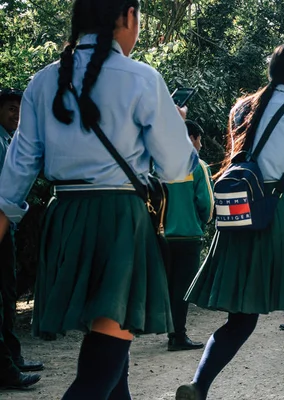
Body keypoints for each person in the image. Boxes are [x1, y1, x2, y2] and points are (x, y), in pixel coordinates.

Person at [0, 1, 199, 397]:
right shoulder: (141, 78)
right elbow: (177, 168)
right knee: (102, 363)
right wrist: (174, 122)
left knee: (113, 362)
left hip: (66, 217)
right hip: (119, 220)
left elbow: (17, 170)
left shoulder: (43, 81)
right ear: (127, 16)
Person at [177, 44, 284, 400]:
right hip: (278, 210)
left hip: (238, 210)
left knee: (242, 317)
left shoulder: (242, 107)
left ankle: (199, 385)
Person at [0, 88, 44, 390]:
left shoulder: (7, 139)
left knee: (7, 294)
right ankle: (7, 368)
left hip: (8, 228)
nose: (16, 115)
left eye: (20, 109)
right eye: (10, 109)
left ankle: (13, 358)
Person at [164, 120, 214, 352]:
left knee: (167, 285)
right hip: (187, 235)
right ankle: (178, 335)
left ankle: (170, 331)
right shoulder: (197, 165)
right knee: (182, 288)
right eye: (199, 139)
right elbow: (207, 204)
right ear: (191, 138)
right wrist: (202, 222)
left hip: (162, 236)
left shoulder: (158, 164)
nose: (201, 145)